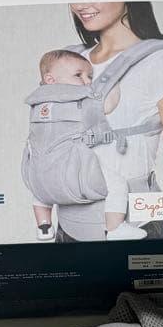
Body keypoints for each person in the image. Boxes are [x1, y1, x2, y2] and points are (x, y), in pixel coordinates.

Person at [55, 0, 163, 242]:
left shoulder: (162, 62)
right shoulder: (70, 61)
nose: (80, 4)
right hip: (68, 231)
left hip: (136, 230)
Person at [30, 50, 146, 242]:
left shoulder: (37, 103)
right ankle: (115, 227)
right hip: (72, 165)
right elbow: (108, 105)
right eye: (79, 75)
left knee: (41, 190)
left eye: (90, 76)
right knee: (117, 184)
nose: (87, 81)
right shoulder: (80, 101)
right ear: (50, 79)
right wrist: (113, 79)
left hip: (40, 168)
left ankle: (44, 226)